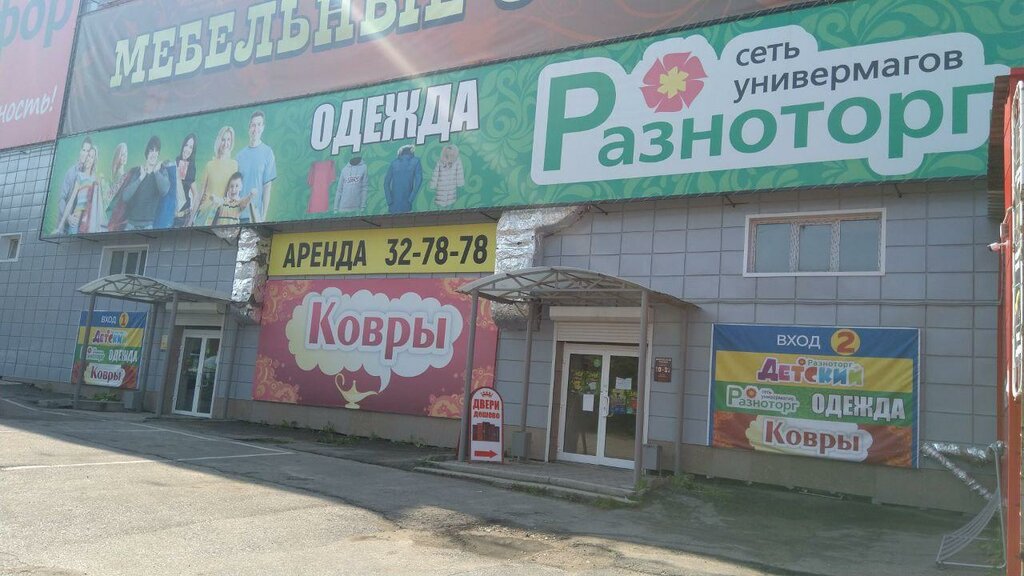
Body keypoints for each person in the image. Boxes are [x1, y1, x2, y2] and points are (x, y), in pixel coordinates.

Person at [120, 136, 171, 231]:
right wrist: (140, 178)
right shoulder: (137, 171)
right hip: (130, 224)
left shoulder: (162, 171)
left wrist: (156, 172)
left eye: (156, 151)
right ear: (147, 152)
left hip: (148, 226)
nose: (154, 154)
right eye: (151, 150)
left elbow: (164, 191)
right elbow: (125, 197)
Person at [235, 111, 276, 223]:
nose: (255, 129)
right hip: (237, 216)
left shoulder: (268, 153)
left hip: (255, 217)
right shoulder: (240, 156)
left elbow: (267, 187)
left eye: (259, 125)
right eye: (253, 125)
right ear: (249, 128)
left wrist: (263, 217)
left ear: (263, 128)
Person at [191, 126, 238, 227]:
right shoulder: (210, 165)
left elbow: (234, 194)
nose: (226, 143)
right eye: (223, 139)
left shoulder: (234, 165)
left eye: (228, 140)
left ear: (231, 142)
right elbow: (200, 194)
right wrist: (190, 220)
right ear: (218, 141)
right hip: (205, 213)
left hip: (222, 215)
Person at [55, 146, 99, 235]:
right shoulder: (80, 176)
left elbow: (96, 205)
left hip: (88, 223)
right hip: (75, 221)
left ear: (94, 160)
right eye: (88, 155)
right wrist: (60, 226)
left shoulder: (95, 180)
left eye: (92, 157)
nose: (89, 159)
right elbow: (71, 201)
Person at [57, 137, 93, 225]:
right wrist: (68, 217)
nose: (85, 154)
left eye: (88, 151)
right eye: (83, 150)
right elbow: (61, 199)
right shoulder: (71, 172)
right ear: (80, 151)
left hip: (80, 225)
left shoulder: (91, 176)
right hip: (65, 225)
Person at [384, 144, 422, 214]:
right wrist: (411, 199)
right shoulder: (416, 161)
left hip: (393, 206)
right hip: (407, 206)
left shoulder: (394, 163)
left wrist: (389, 201)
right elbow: (418, 181)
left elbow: (386, 183)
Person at [174, 134, 198, 228]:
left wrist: (190, 220)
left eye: (191, 147)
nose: (187, 149)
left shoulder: (191, 167)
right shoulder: (176, 161)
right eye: (186, 145)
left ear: (193, 151)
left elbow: (196, 195)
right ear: (183, 145)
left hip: (183, 217)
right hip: (171, 216)